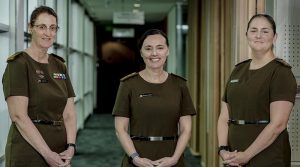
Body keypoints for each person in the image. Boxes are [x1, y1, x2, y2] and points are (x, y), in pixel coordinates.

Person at [217, 14, 297, 167]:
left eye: (265, 31)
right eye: (254, 30)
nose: (258, 35)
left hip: (268, 156)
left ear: (275, 37)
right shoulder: (238, 71)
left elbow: (278, 124)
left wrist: (247, 155)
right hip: (234, 156)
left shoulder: (281, 73)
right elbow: (223, 117)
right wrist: (223, 150)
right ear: (247, 35)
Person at [2, 6, 77, 167]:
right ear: (30, 27)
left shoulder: (59, 65)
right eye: (42, 27)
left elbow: (69, 113)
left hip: (60, 149)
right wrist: (47, 154)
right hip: (29, 150)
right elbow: (18, 116)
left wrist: (71, 146)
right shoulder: (19, 64)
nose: (48, 33)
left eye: (52, 28)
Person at [112, 29, 196, 167]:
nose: (154, 53)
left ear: (167, 51)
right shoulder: (128, 84)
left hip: (172, 157)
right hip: (137, 156)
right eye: (148, 48)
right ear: (141, 53)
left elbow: (186, 129)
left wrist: (174, 158)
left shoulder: (180, 84)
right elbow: (120, 128)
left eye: (160, 48)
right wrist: (135, 158)